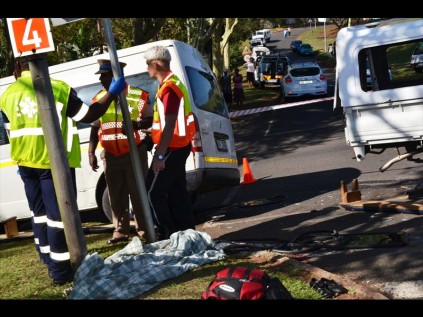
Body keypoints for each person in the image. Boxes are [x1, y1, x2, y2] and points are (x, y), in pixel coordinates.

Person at [0, 57, 125, 285]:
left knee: (38, 215)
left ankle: (47, 259)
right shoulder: (56, 87)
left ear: (18, 66)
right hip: (52, 163)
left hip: (25, 163)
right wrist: (113, 93)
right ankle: (61, 273)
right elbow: (88, 115)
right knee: (58, 218)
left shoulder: (7, 93)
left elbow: (10, 129)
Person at [88, 59, 153, 244]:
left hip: (134, 152)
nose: (101, 80)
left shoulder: (137, 95)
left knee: (139, 193)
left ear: (116, 76)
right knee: (116, 195)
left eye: (104, 76)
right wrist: (91, 152)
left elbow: (151, 119)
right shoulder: (99, 98)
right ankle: (120, 231)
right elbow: (94, 127)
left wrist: (137, 124)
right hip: (110, 155)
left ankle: (145, 230)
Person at [143, 45, 197, 240]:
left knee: (153, 193)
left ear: (157, 64)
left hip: (172, 148)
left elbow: (171, 122)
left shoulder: (169, 88)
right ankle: (186, 233)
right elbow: (167, 121)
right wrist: (153, 131)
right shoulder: (170, 84)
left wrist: (159, 155)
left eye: (148, 64)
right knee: (177, 192)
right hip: (177, 145)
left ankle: (169, 235)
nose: (147, 68)